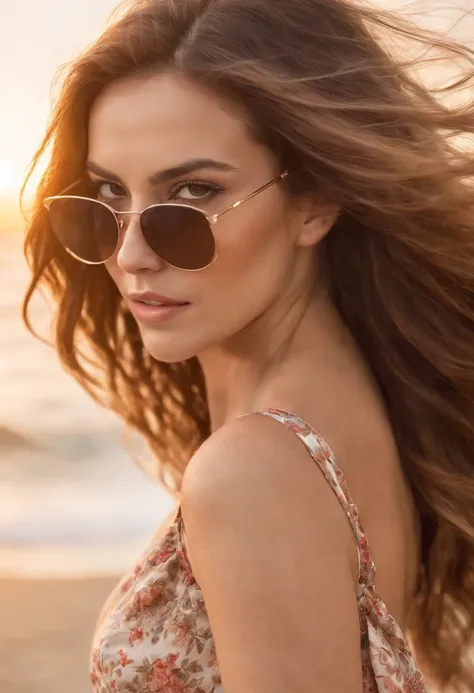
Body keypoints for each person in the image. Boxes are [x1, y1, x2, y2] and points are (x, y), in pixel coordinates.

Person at [22, 0, 474, 690]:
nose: (134, 252)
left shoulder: (256, 472)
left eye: (193, 192)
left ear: (315, 200)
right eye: (109, 194)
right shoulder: (355, 403)